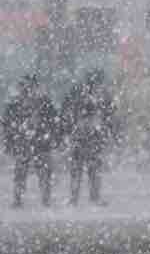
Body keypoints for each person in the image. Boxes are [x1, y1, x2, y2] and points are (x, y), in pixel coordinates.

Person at [2, 74, 61, 208]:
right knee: (22, 173)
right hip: (26, 143)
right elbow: (7, 126)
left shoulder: (44, 104)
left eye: (32, 87)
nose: (29, 90)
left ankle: (44, 200)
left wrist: (52, 138)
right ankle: (20, 200)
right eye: (26, 87)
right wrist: (10, 142)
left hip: (39, 143)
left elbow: (54, 123)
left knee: (42, 173)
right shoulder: (15, 105)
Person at [61, 70, 117, 205]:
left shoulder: (83, 96)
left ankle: (79, 198)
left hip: (86, 137)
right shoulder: (92, 99)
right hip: (87, 137)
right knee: (87, 168)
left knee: (84, 169)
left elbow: (70, 115)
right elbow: (108, 116)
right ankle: (88, 197)